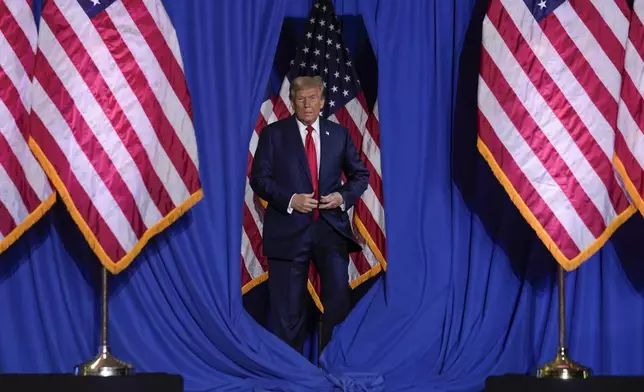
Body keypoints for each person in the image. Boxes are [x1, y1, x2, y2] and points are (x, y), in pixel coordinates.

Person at [250, 76, 369, 354]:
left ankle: (331, 364)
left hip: (330, 231)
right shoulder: (274, 134)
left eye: (313, 98)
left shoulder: (338, 134)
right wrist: (291, 199)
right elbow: (259, 179)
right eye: (301, 98)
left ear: (323, 101)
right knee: (287, 309)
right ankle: (292, 371)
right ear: (291, 101)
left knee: (338, 300)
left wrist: (342, 197)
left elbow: (360, 175)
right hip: (288, 230)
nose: (307, 104)